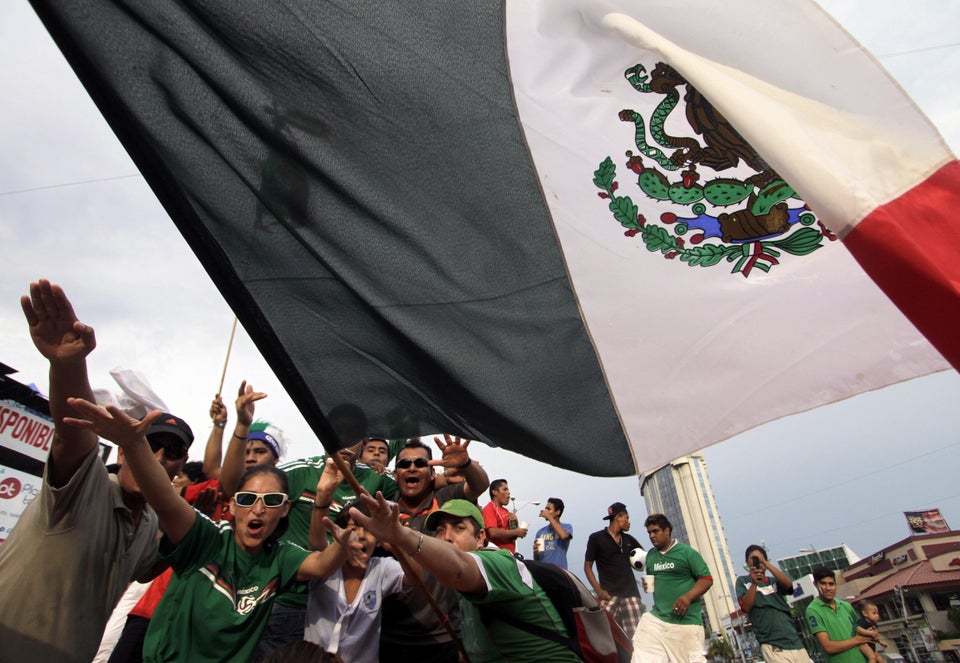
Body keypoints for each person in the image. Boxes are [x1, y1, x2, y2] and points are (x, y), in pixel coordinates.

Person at [62, 399, 363, 662]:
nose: (258, 510)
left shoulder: (280, 557)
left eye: (271, 501)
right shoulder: (206, 538)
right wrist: (134, 444)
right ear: (232, 506)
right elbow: (164, 498)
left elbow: (321, 564)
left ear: (285, 509)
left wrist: (344, 539)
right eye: (248, 500)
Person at [0, 280, 189, 663]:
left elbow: (157, 563)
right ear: (122, 446)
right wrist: (68, 363)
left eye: (172, 453)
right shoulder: (88, 485)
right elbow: (73, 433)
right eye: (146, 443)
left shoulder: (150, 525)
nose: (157, 457)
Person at [354, 494, 582, 663]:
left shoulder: (499, 562)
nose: (447, 537)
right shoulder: (463, 592)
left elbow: (459, 567)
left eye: (459, 528)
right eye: (440, 531)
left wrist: (403, 536)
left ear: (481, 537)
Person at [379, 436, 490, 663]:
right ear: (395, 474)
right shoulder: (383, 509)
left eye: (420, 464)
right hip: (390, 637)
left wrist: (466, 464)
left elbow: (479, 485)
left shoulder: (446, 499)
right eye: (404, 464)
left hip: (446, 638)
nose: (412, 468)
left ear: (432, 474)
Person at [305, 478, 414, 661]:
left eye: (368, 530)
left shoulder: (382, 568)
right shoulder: (324, 565)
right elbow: (315, 544)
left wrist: (400, 544)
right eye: (353, 528)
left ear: (379, 539)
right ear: (338, 534)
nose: (361, 536)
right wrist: (323, 497)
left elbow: (415, 578)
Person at [634, 513, 714, 663]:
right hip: (658, 619)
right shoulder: (650, 556)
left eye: (655, 531)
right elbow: (657, 582)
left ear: (667, 530)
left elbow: (707, 579)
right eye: (649, 532)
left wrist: (688, 597)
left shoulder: (687, 552)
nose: (652, 536)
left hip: (686, 623)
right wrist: (649, 585)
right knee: (643, 642)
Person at [736, 544, 812, 662]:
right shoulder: (743, 582)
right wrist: (754, 584)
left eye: (760, 559)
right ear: (747, 563)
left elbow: (789, 587)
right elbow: (745, 606)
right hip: (772, 645)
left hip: (794, 642)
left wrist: (766, 564)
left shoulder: (774, 581)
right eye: (753, 559)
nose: (757, 562)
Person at [584, 501, 644, 640]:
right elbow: (587, 566)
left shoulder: (629, 540)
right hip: (608, 595)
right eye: (627, 518)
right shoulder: (596, 538)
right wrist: (598, 590)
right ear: (618, 518)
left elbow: (646, 559)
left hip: (631, 595)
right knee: (600, 634)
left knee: (636, 638)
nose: (629, 522)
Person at [804, 567, 877, 663]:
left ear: (836, 585)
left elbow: (862, 632)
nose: (828, 588)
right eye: (823, 583)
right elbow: (828, 647)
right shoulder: (813, 610)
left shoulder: (846, 606)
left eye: (831, 584)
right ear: (815, 584)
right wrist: (857, 640)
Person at [482, 478, 527, 552]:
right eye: (505, 489)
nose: (508, 492)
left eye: (508, 490)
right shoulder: (489, 508)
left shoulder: (506, 511)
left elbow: (512, 537)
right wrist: (516, 532)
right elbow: (493, 533)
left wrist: (514, 524)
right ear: (495, 492)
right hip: (497, 555)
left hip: (510, 554)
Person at [533, 497, 573, 570]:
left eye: (549, 509)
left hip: (560, 572)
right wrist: (536, 552)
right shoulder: (540, 532)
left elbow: (563, 536)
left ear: (557, 512)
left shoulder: (566, 527)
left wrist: (549, 516)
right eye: (545, 508)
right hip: (544, 572)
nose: (546, 511)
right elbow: (537, 559)